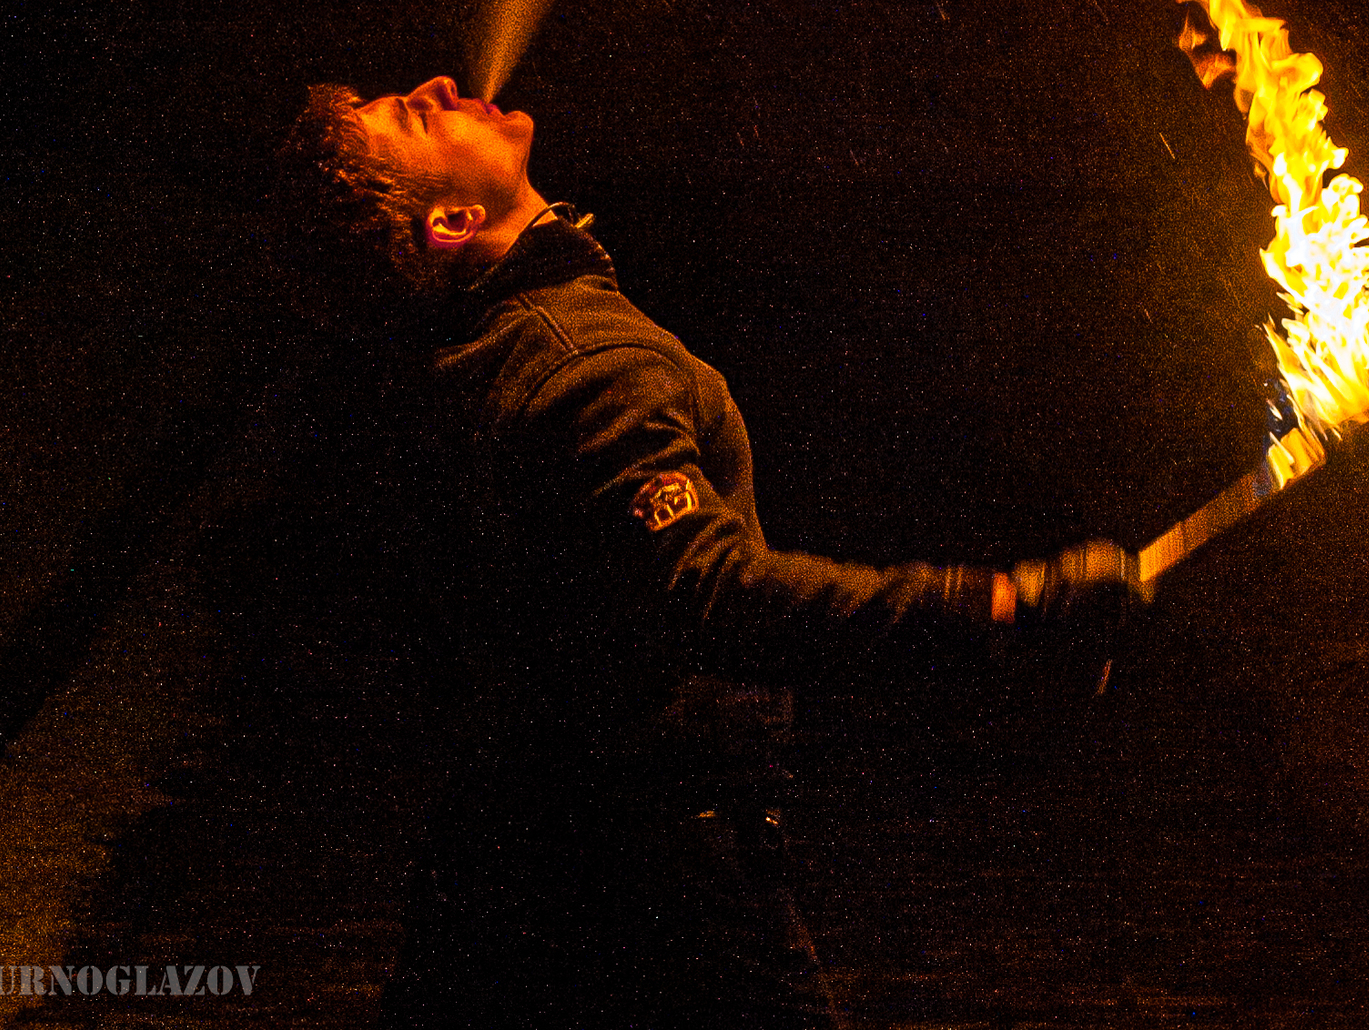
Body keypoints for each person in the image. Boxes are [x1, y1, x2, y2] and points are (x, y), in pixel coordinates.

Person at [273, 74, 1147, 1030]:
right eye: (416, 114)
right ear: (448, 219)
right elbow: (711, 590)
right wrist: (996, 608)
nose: (441, 83)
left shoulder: (475, 350)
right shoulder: (583, 364)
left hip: (508, 864)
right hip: (652, 895)